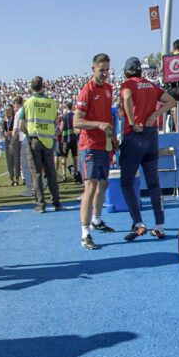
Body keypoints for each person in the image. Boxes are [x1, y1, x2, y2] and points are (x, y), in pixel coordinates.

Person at [119, 57, 177, 241]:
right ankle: (159, 225)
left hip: (135, 135)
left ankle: (138, 223)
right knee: (154, 183)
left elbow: (127, 97)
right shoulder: (151, 85)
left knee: (127, 182)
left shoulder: (128, 84)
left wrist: (131, 121)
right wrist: (156, 114)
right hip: (151, 135)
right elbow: (172, 101)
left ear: (126, 71)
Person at [74, 53, 119, 250]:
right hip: (89, 145)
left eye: (107, 70)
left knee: (104, 183)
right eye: (101, 70)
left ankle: (97, 220)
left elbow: (107, 118)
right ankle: (85, 234)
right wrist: (98, 124)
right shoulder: (87, 91)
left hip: (104, 145)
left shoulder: (109, 89)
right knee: (90, 187)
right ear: (93, 68)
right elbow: (77, 122)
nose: (105, 74)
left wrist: (114, 138)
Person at [22, 76, 61, 213]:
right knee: (51, 172)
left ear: (31, 87)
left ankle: (41, 204)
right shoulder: (52, 102)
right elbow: (55, 121)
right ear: (42, 86)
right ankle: (56, 202)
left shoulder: (28, 102)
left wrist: (28, 133)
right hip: (49, 140)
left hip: (34, 139)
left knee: (37, 173)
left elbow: (21, 124)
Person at [57, 102, 79, 182]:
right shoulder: (74, 115)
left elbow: (61, 129)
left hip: (66, 139)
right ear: (72, 107)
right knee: (74, 157)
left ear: (65, 107)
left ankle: (64, 175)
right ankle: (76, 173)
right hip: (73, 138)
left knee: (64, 157)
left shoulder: (63, 116)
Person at [8, 97, 24, 188]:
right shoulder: (25, 110)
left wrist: (11, 142)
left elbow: (15, 129)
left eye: (14, 105)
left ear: (16, 104)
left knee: (21, 160)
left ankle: (28, 184)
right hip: (26, 136)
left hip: (21, 138)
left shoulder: (18, 113)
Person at [2, 103, 17, 186]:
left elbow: (16, 129)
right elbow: (2, 131)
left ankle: (18, 178)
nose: (8, 111)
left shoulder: (15, 118)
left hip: (15, 141)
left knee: (16, 159)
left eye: (10, 109)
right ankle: (12, 178)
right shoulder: (4, 120)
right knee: (9, 161)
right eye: (7, 109)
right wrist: (4, 134)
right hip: (7, 141)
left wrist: (10, 132)